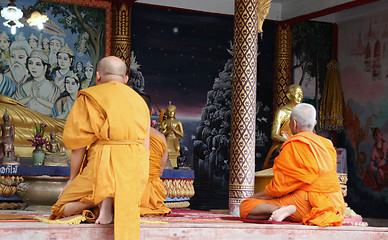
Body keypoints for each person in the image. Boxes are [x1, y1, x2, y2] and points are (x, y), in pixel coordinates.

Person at [49, 56, 150, 240]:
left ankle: (101, 199)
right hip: (134, 169)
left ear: (98, 76)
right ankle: (110, 201)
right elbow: (145, 145)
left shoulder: (90, 96)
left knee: (60, 209)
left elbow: (78, 144)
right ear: (125, 79)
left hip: (102, 163)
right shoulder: (140, 101)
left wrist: (72, 178)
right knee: (129, 205)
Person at [240, 103, 346, 227]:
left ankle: (277, 209)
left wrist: (254, 197)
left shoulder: (293, 145)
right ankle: (281, 209)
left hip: (309, 205)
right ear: (315, 123)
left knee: (246, 206)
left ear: (294, 124)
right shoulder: (327, 144)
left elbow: (279, 187)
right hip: (336, 205)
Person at [139, 93, 171, 216]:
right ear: (151, 111)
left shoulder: (124, 135)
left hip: (129, 192)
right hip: (152, 197)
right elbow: (160, 172)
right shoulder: (161, 137)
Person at [262, 84, 303, 169]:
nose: (300, 96)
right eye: (297, 93)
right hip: (284, 145)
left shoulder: (303, 112)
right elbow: (274, 135)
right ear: (289, 95)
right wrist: (290, 141)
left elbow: (311, 132)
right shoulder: (282, 112)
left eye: (301, 93)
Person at [14, 49, 60, 116]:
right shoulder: (23, 87)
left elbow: (57, 108)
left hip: (46, 122)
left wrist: (37, 99)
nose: (33, 67)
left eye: (38, 64)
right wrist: (30, 97)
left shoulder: (53, 88)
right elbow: (14, 105)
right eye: (30, 63)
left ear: (45, 67)